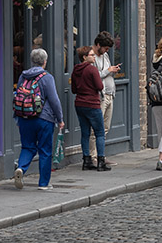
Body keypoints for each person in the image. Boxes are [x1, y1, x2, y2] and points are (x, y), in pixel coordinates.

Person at [13, 48, 65, 190]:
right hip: (44, 119)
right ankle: (43, 183)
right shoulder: (47, 77)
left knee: (27, 147)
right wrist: (60, 119)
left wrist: (17, 118)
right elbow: (54, 101)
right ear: (44, 61)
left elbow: (17, 96)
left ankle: (21, 169)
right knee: (45, 150)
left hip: (24, 117)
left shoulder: (23, 76)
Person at [71, 46, 111, 172]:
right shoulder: (92, 70)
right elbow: (99, 86)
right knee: (99, 133)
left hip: (79, 104)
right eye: (92, 55)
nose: (94, 57)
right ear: (84, 57)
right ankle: (101, 161)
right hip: (92, 104)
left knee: (85, 133)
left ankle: (86, 160)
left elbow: (73, 90)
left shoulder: (75, 70)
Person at [89, 31, 119, 165]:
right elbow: (94, 76)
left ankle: (101, 154)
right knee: (95, 128)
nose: (106, 51)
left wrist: (112, 70)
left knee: (105, 128)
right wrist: (108, 71)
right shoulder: (91, 57)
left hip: (109, 94)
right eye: (105, 48)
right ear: (98, 44)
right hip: (99, 96)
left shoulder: (105, 55)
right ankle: (93, 156)